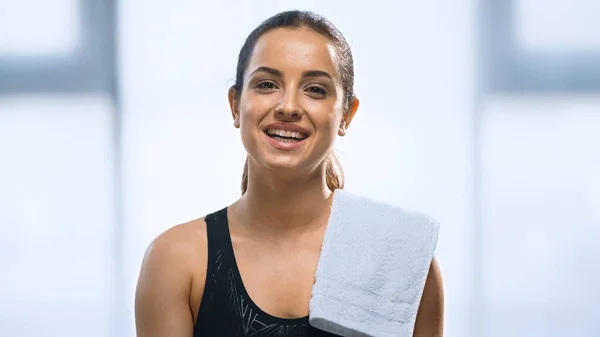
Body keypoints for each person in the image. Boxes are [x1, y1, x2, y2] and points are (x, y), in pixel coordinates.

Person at [135, 10, 444, 337]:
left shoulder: (403, 260)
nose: (288, 106)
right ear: (235, 105)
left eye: (315, 90)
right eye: (267, 84)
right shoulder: (177, 260)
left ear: (346, 116)